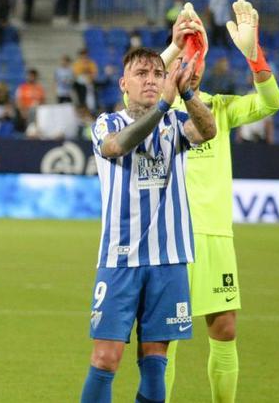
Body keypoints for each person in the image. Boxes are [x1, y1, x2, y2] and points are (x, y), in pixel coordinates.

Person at [79, 46, 216, 403]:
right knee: (106, 358)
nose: (152, 80)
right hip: (119, 260)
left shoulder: (174, 124)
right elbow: (117, 147)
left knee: (155, 362)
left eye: (158, 74)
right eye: (142, 74)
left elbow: (209, 130)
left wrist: (187, 93)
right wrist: (163, 105)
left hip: (168, 259)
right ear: (124, 83)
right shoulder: (107, 123)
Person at [159, 2, 279, 403]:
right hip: (170, 238)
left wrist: (254, 55)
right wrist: (173, 48)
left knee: (225, 330)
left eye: (195, 56)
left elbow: (271, 103)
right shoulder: (158, 109)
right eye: (185, 57)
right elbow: (133, 95)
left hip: (215, 237)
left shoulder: (219, 108)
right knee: (166, 339)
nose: (190, 63)